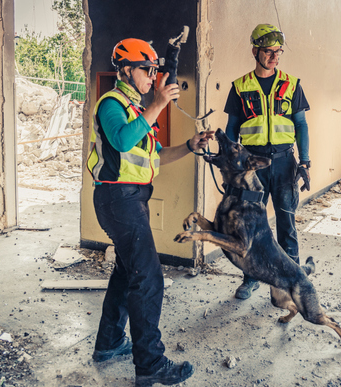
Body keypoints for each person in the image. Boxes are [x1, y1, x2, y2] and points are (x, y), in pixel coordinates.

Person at [87, 37, 213, 386]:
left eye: (154, 70)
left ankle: (109, 343)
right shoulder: (111, 104)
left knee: (128, 273)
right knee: (150, 278)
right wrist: (157, 104)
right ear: (126, 70)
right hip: (117, 200)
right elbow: (123, 140)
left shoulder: (138, 112)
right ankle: (151, 365)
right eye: (146, 70)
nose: (151, 76)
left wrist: (190, 146)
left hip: (132, 199)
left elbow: (154, 156)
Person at [224, 23, 312, 300]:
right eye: (268, 51)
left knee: (287, 222)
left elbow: (301, 126)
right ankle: (250, 278)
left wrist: (305, 161)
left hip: (285, 164)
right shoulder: (240, 87)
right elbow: (230, 130)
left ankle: (294, 279)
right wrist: (231, 164)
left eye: (278, 51)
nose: (274, 56)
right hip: (252, 167)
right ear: (255, 51)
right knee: (251, 226)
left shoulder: (291, 84)